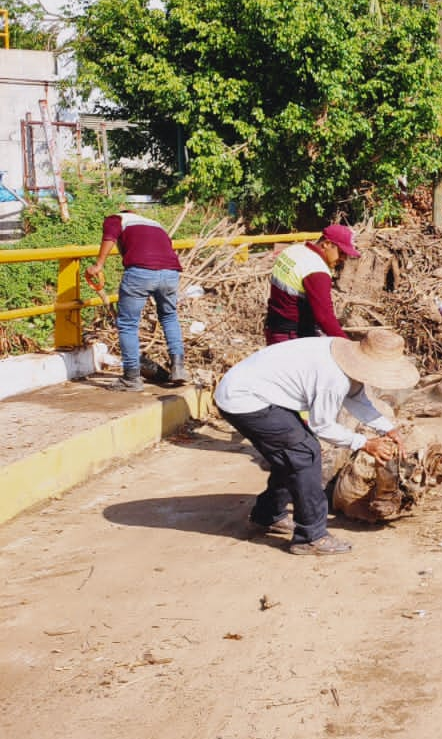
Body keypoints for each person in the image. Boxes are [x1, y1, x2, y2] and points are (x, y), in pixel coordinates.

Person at [215, 328, 418, 556]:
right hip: (245, 399)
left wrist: (388, 428)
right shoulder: (333, 378)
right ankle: (311, 537)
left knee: (292, 455)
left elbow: (356, 398)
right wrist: (364, 443)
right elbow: (321, 425)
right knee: (305, 454)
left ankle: (267, 515)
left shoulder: (344, 359)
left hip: (256, 391)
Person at [86, 210, 186, 392]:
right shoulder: (155, 224)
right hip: (171, 273)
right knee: (169, 317)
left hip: (140, 272)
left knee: (128, 324)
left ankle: (131, 378)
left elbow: (109, 237)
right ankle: (178, 368)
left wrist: (99, 264)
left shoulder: (116, 218)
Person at [265, 225, 361, 343]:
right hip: (292, 337)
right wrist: (347, 345)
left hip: (273, 328)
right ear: (326, 244)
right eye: (341, 252)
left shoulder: (295, 250)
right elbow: (325, 318)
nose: (344, 258)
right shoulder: (316, 269)